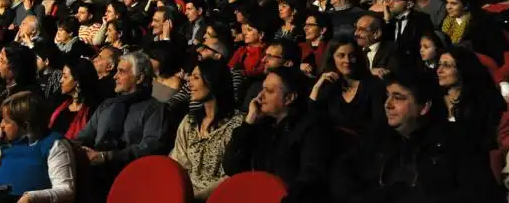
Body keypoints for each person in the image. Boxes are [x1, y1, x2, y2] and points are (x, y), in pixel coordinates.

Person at [331, 69, 502, 203]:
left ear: (424, 107)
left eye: (398, 98)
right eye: (387, 96)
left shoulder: (458, 140)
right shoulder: (378, 136)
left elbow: (479, 195)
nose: (387, 104)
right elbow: (342, 172)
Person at [223, 66, 330, 202]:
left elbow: (309, 182)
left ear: (289, 98)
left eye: (269, 91)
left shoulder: (313, 127)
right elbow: (231, 167)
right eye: (262, 89)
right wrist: (249, 122)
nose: (260, 96)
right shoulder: (263, 124)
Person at [75, 51, 169, 199]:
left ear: (139, 78)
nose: (115, 76)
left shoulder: (154, 109)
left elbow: (151, 147)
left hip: (131, 180)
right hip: (95, 176)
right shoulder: (107, 105)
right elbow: (84, 136)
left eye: (122, 72)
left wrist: (107, 157)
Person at [0, 91, 76, 203]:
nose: (1, 125)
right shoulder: (7, 145)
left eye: (7, 121)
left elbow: (66, 190)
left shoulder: (54, 145)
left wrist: (30, 197)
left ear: (26, 125)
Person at [170, 59, 243, 200]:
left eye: (196, 78)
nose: (189, 83)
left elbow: (230, 176)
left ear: (213, 81)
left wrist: (196, 198)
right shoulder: (189, 122)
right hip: (185, 195)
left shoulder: (237, 125)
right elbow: (178, 164)